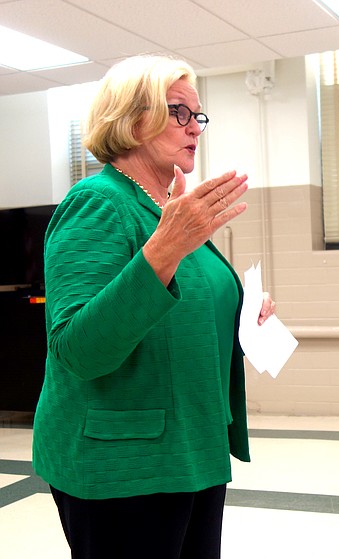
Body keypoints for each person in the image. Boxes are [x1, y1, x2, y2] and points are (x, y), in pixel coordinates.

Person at [31, 55, 275, 559]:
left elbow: (178, 316)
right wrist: (163, 248)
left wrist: (242, 319)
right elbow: (78, 349)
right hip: (124, 466)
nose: (195, 127)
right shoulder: (97, 203)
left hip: (193, 447)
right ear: (132, 118)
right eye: (180, 112)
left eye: (198, 115)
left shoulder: (168, 206)